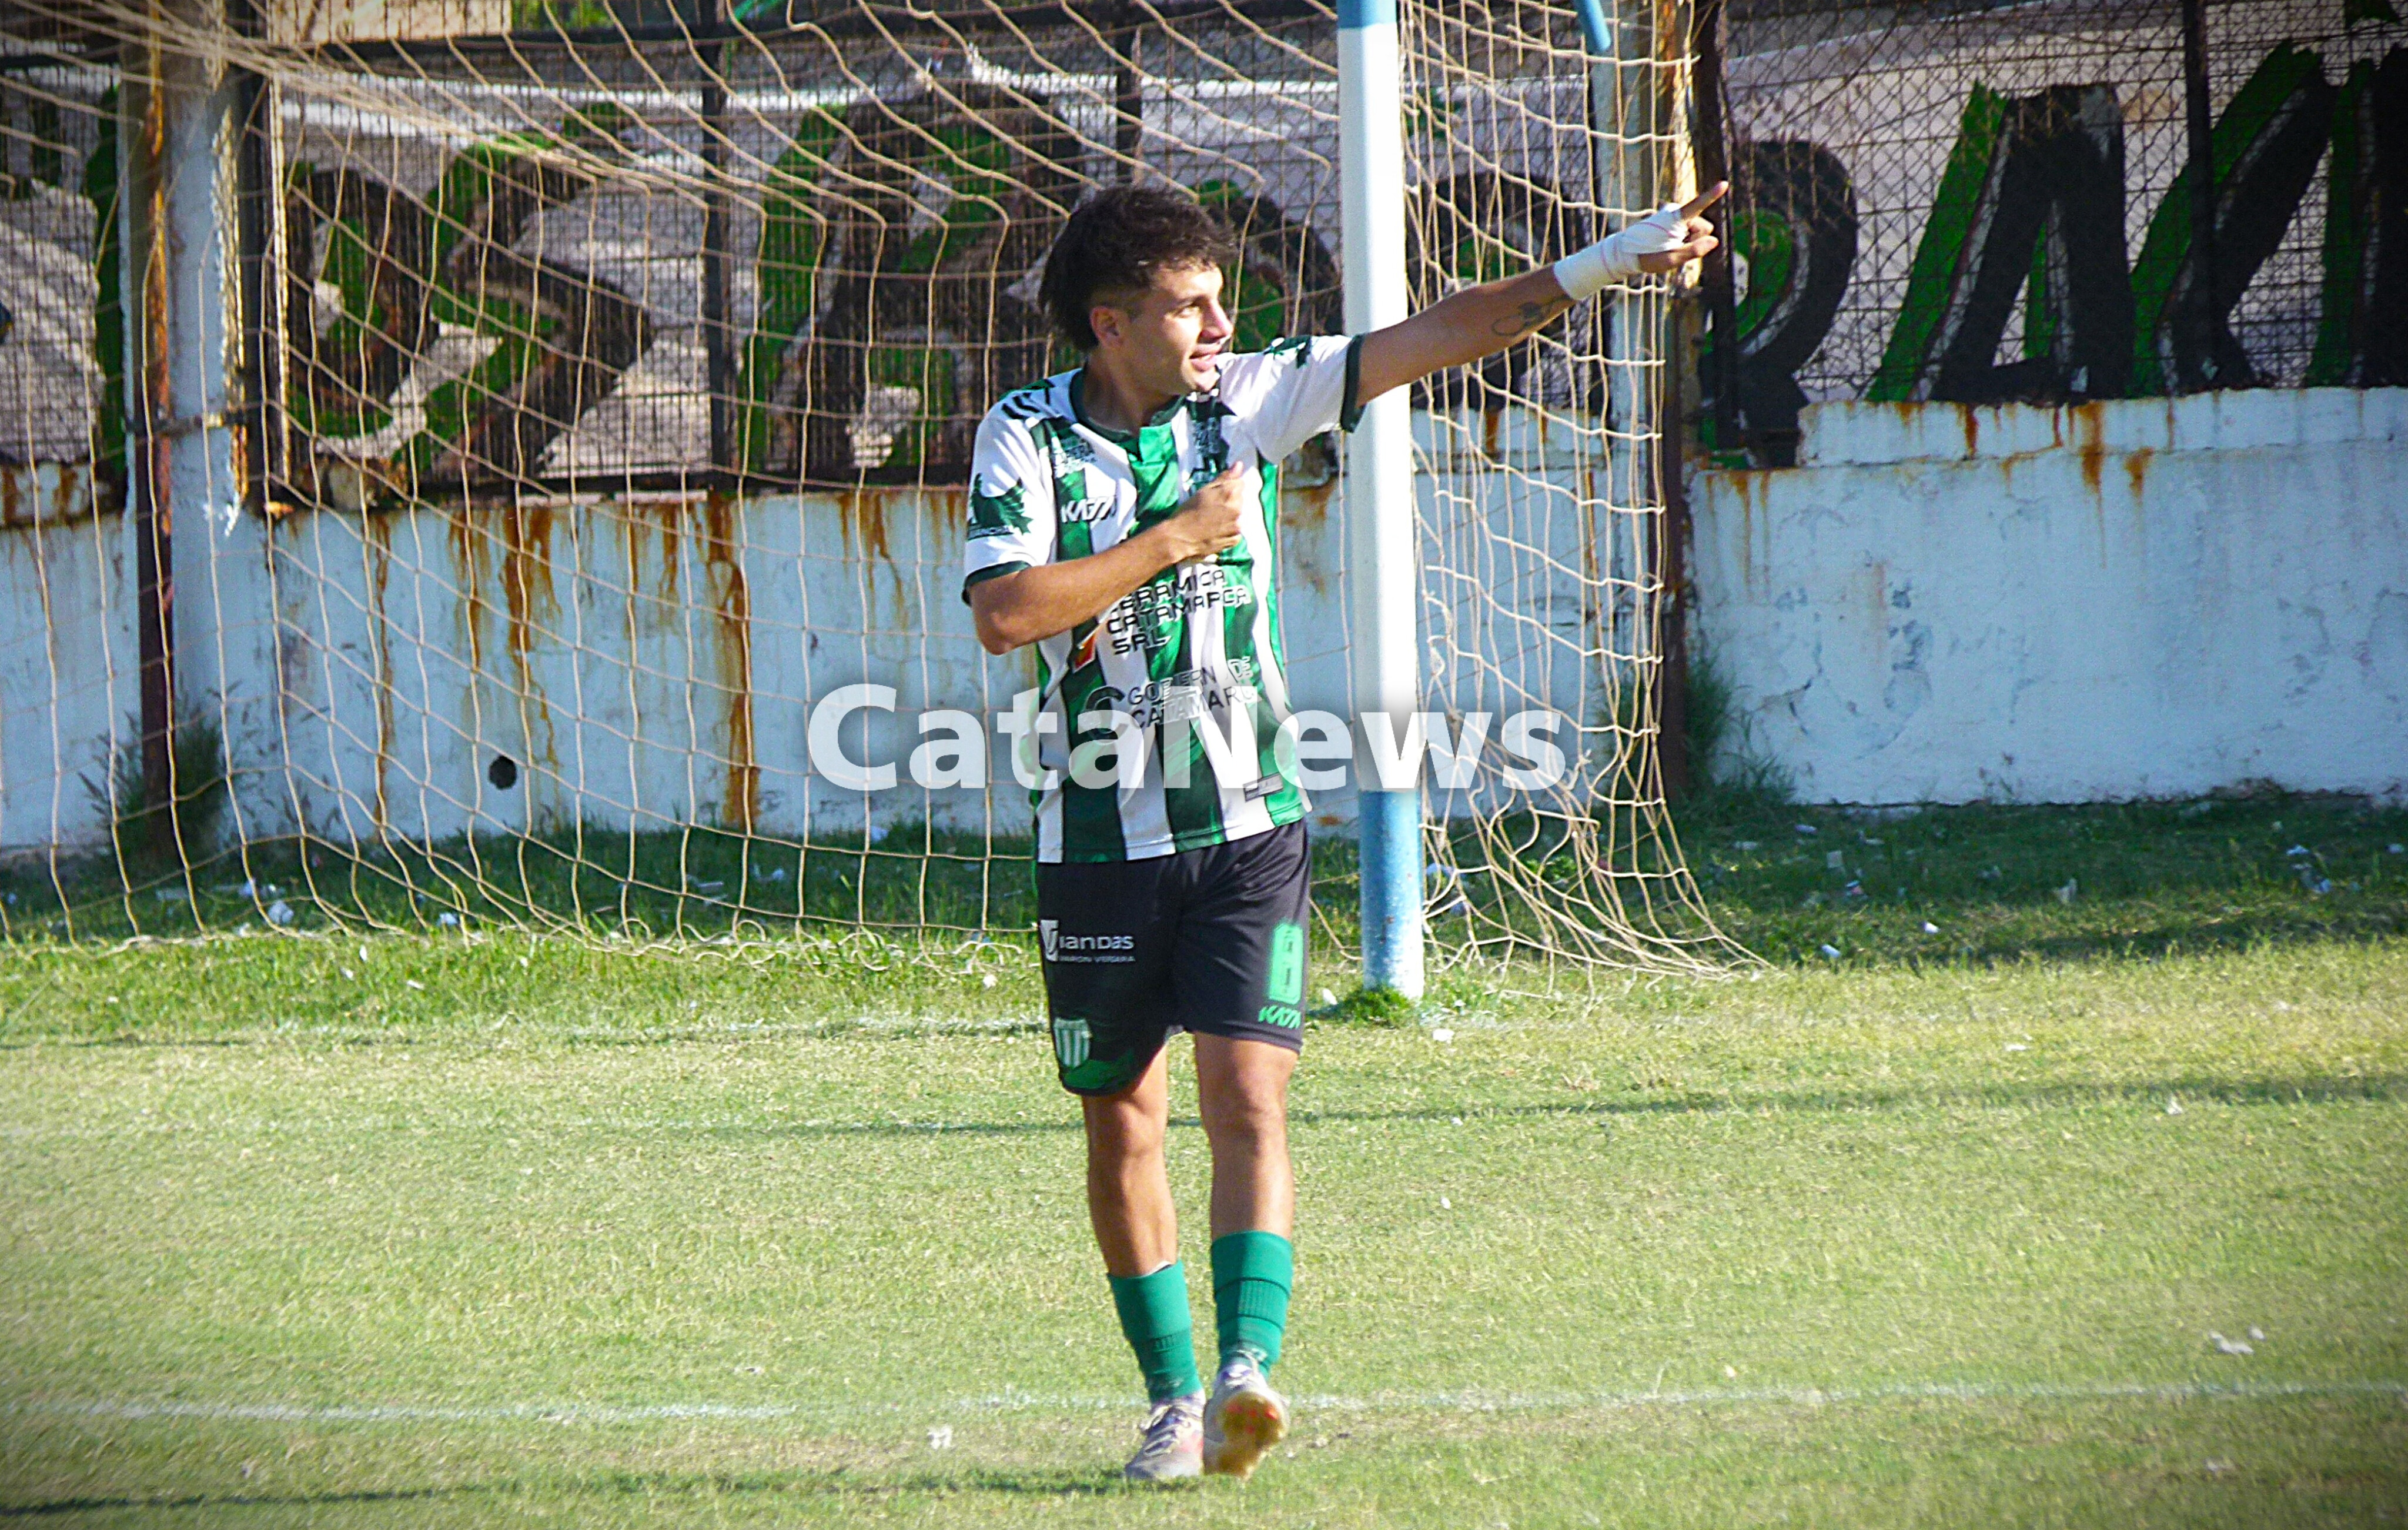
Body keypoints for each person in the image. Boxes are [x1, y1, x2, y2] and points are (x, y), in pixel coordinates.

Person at [962, 179, 1723, 1482]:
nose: (1215, 324)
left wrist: (1608, 261)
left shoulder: (1247, 398)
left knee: (1247, 1092)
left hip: (1250, 823)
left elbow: (1440, 330)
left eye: (1218, 300)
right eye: (1186, 304)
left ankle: (1245, 1374)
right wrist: (1171, 539)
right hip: (1095, 843)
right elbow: (1006, 610)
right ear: (1109, 321)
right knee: (1121, 1121)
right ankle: (1168, 1397)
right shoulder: (1024, 438)